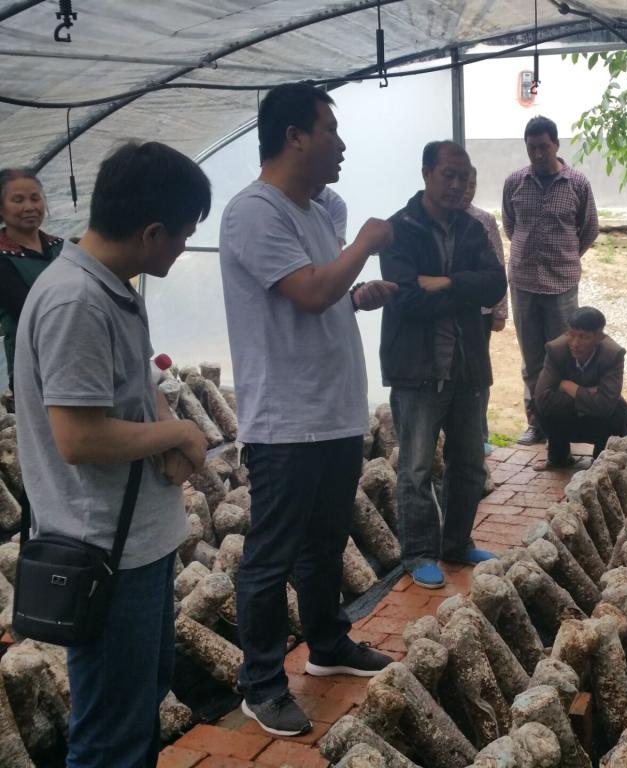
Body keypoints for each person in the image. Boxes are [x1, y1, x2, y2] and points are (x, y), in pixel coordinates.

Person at [14, 141, 212, 767]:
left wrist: (165, 423)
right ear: (152, 233)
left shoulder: (110, 287)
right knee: (110, 737)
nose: (184, 248)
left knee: (137, 707)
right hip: (104, 553)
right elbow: (80, 438)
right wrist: (180, 436)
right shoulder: (75, 300)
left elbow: (136, 380)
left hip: (135, 546)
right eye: (183, 235)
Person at [219, 82, 396, 737]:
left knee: (325, 544)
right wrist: (366, 244)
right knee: (271, 557)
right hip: (287, 422)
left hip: (334, 412)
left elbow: (323, 294)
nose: (341, 145)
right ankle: (262, 684)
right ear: (295, 136)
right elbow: (310, 292)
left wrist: (358, 294)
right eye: (330, 130)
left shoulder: (318, 211)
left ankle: (327, 644)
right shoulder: (253, 212)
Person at [381, 141, 507, 590]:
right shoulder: (399, 229)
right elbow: (408, 299)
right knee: (416, 468)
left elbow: (495, 284)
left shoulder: (472, 228)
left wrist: (446, 282)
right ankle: (418, 554)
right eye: (447, 175)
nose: (457, 184)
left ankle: (456, 543)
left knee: (468, 463)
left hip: (467, 365)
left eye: (463, 176)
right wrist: (463, 292)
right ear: (426, 174)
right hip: (417, 368)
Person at [502, 116, 599, 446]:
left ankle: (562, 427)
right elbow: (511, 226)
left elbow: (589, 229)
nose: (538, 154)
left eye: (544, 146)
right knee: (532, 359)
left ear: (556, 144)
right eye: (532, 148)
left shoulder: (577, 183)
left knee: (563, 356)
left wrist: (566, 256)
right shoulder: (515, 182)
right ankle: (537, 423)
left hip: (561, 286)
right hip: (524, 284)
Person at [533, 306, 627, 470]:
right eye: (572, 334)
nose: (575, 343)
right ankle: (558, 457)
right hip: (571, 417)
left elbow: (606, 405)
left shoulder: (613, 354)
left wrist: (569, 387)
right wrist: (590, 395)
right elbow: (542, 398)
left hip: (600, 421)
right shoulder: (555, 349)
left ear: (599, 337)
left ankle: (600, 462)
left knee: (618, 412)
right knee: (539, 406)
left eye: (583, 337)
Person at [0, 168, 63, 392]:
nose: (29, 207)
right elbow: (28, 311)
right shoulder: (3, 259)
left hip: (74, 358)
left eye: (35, 198)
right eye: (18, 200)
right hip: (33, 370)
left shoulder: (62, 247)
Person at [460, 166, 508, 455]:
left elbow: (498, 267)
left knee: (478, 373)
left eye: (472, 184)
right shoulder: (436, 220)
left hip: (481, 313)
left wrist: (499, 309)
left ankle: (480, 434)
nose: (467, 190)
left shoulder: (484, 220)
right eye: (462, 183)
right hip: (450, 311)